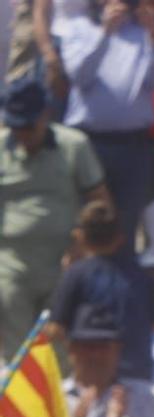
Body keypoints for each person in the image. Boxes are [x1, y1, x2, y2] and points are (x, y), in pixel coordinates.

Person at [0, 75, 109, 356]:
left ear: (45, 115)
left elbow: (100, 203)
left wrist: (82, 245)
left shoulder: (74, 146)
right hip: (12, 265)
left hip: (62, 265)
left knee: (57, 348)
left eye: (27, 126)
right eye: (15, 126)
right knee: (16, 352)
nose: (21, 134)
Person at [49, 0, 154, 245]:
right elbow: (80, 76)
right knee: (88, 224)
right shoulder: (77, 28)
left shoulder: (142, 32)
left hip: (134, 144)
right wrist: (104, 34)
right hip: (90, 144)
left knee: (126, 224)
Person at [50, 199, 154, 383]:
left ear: (80, 236)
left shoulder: (76, 273)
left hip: (90, 378)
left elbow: (55, 328)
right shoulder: (140, 274)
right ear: (121, 238)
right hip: (136, 376)